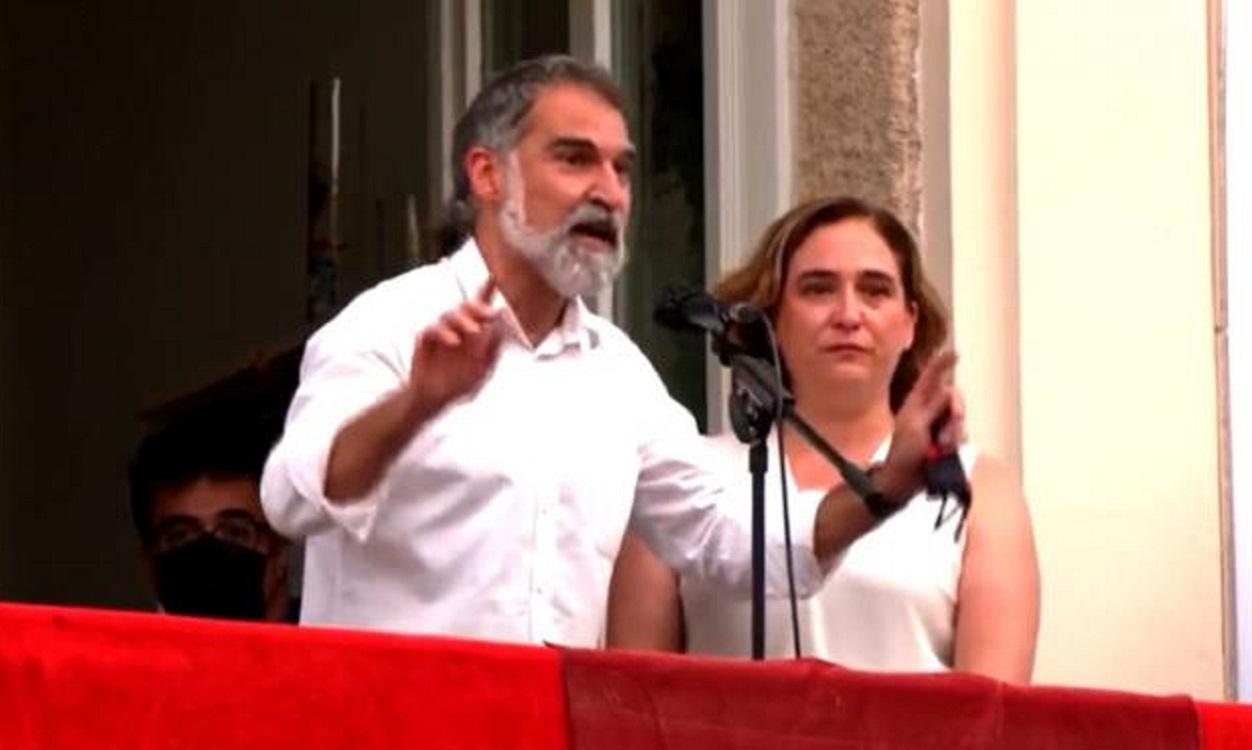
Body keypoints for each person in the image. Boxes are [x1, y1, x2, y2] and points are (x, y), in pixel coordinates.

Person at [260, 56, 964, 646]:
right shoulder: (388, 323)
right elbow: (292, 498)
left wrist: (888, 484)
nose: (608, 192)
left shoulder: (617, 373)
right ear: (487, 174)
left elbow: (731, 537)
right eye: (574, 159)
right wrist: (417, 403)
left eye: (622, 171)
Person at [606, 196, 1040, 683]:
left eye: (875, 291)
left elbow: (995, 709)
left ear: (910, 322)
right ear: (770, 316)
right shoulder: (681, 478)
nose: (848, 315)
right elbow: (635, 701)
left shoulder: (979, 485)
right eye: (818, 290)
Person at [130, 410, 294, 622]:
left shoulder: (333, 642)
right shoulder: (128, 654)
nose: (208, 548)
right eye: (180, 536)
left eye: (235, 531)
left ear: (279, 551)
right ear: (148, 565)